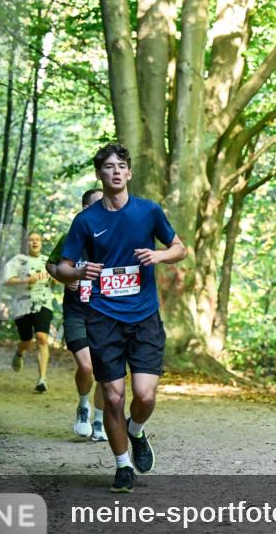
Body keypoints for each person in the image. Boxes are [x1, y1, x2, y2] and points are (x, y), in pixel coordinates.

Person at [55, 143, 187, 493]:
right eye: (108, 167)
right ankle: (123, 465)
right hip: (103, 318)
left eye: (120, 166)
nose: (115, 171)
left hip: (144, 316)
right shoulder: (86, 221)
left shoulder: (148, 211)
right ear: (99, 174)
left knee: (144, 395)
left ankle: (136, 430)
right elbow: (62, 268)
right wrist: (79, 272)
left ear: (128, 173)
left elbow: (180, 248)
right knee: (112, 397)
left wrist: (159, 256)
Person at [46, 188, 107, 441]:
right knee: (86, 365)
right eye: (99, 204)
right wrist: (65, 277)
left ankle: (100, 421)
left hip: (107, 313)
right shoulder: (71, 237)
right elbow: (51, 264)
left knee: (106, 372)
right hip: (77, 311)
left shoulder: (115, 237)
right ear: (85, 209)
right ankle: (83, 407)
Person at [4, 231, 55, 393]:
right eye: (31, 240)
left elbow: (58, 279)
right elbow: (7, 280)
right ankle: (19, 353)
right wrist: (26, 279)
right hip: (22, 305)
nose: (34, 242)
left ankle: (42, 378)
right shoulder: (18, 260)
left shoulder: (48, 261)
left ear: (41, 243)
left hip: (44, 303)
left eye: (37, 239)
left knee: (41, 337)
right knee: (26, 340)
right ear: (26, 243)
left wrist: (57, 278)